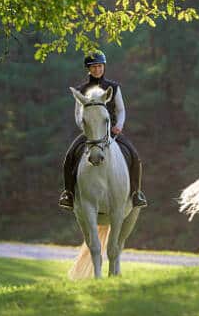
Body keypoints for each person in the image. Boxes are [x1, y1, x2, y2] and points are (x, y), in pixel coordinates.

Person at [58, 51, 148, 210]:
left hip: (111, 131)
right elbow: (78, 114)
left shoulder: (113, 87)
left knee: (134, 155)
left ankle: (136, 193)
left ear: (104, 67)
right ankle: (68, 194)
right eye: (93, 67)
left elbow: (121, 110)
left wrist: (119, 125)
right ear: (88, 69)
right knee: (69, 157)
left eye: (99, 66)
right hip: (90, 134)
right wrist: (85, 127)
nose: (97, 69)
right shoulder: (81, 90)